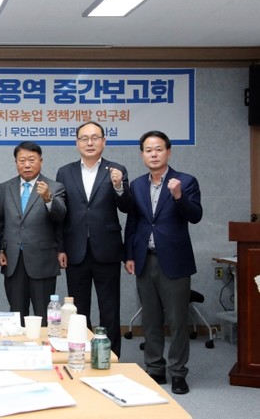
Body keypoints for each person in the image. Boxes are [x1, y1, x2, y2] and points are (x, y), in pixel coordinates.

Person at [124, 130, 202, 395]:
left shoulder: (185, 181)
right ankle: (155, 368)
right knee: (151, 318)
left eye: (158, 149)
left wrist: (179, 196)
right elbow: (133, 223)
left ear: (168, 152)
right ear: (142, 155)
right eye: (148, 150)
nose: (154, 154)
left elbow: (195, 216)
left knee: (178, 320)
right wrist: (129, 255)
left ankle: (178, 372)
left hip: (175, 261)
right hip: (145, 259)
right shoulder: (137, 185)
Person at [56, 121, 131, 357]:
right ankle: (82, 354)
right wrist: (60, 248)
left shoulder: (116, 170)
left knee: (110, 308)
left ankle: (112, 356)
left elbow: (127, 206)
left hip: (107, 250)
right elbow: (60, 214)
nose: (90, 142)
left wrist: (119, 186)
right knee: (78, 311)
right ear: (77, 143)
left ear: (104, 141)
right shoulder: (65, 172)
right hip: (75, 250)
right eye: (84, 138)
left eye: (95, 138)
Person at [0, 141, 66, 324]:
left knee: (44, 315)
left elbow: (61, 217)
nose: (27, 165)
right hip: (13, 260)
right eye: (22, 160)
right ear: (16, 163)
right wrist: (0, 249)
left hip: (42, 261)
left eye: (32, 160)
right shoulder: (4, 188)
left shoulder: (55, 187)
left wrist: (48, 198)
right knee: (17, 313)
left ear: (40, 161)